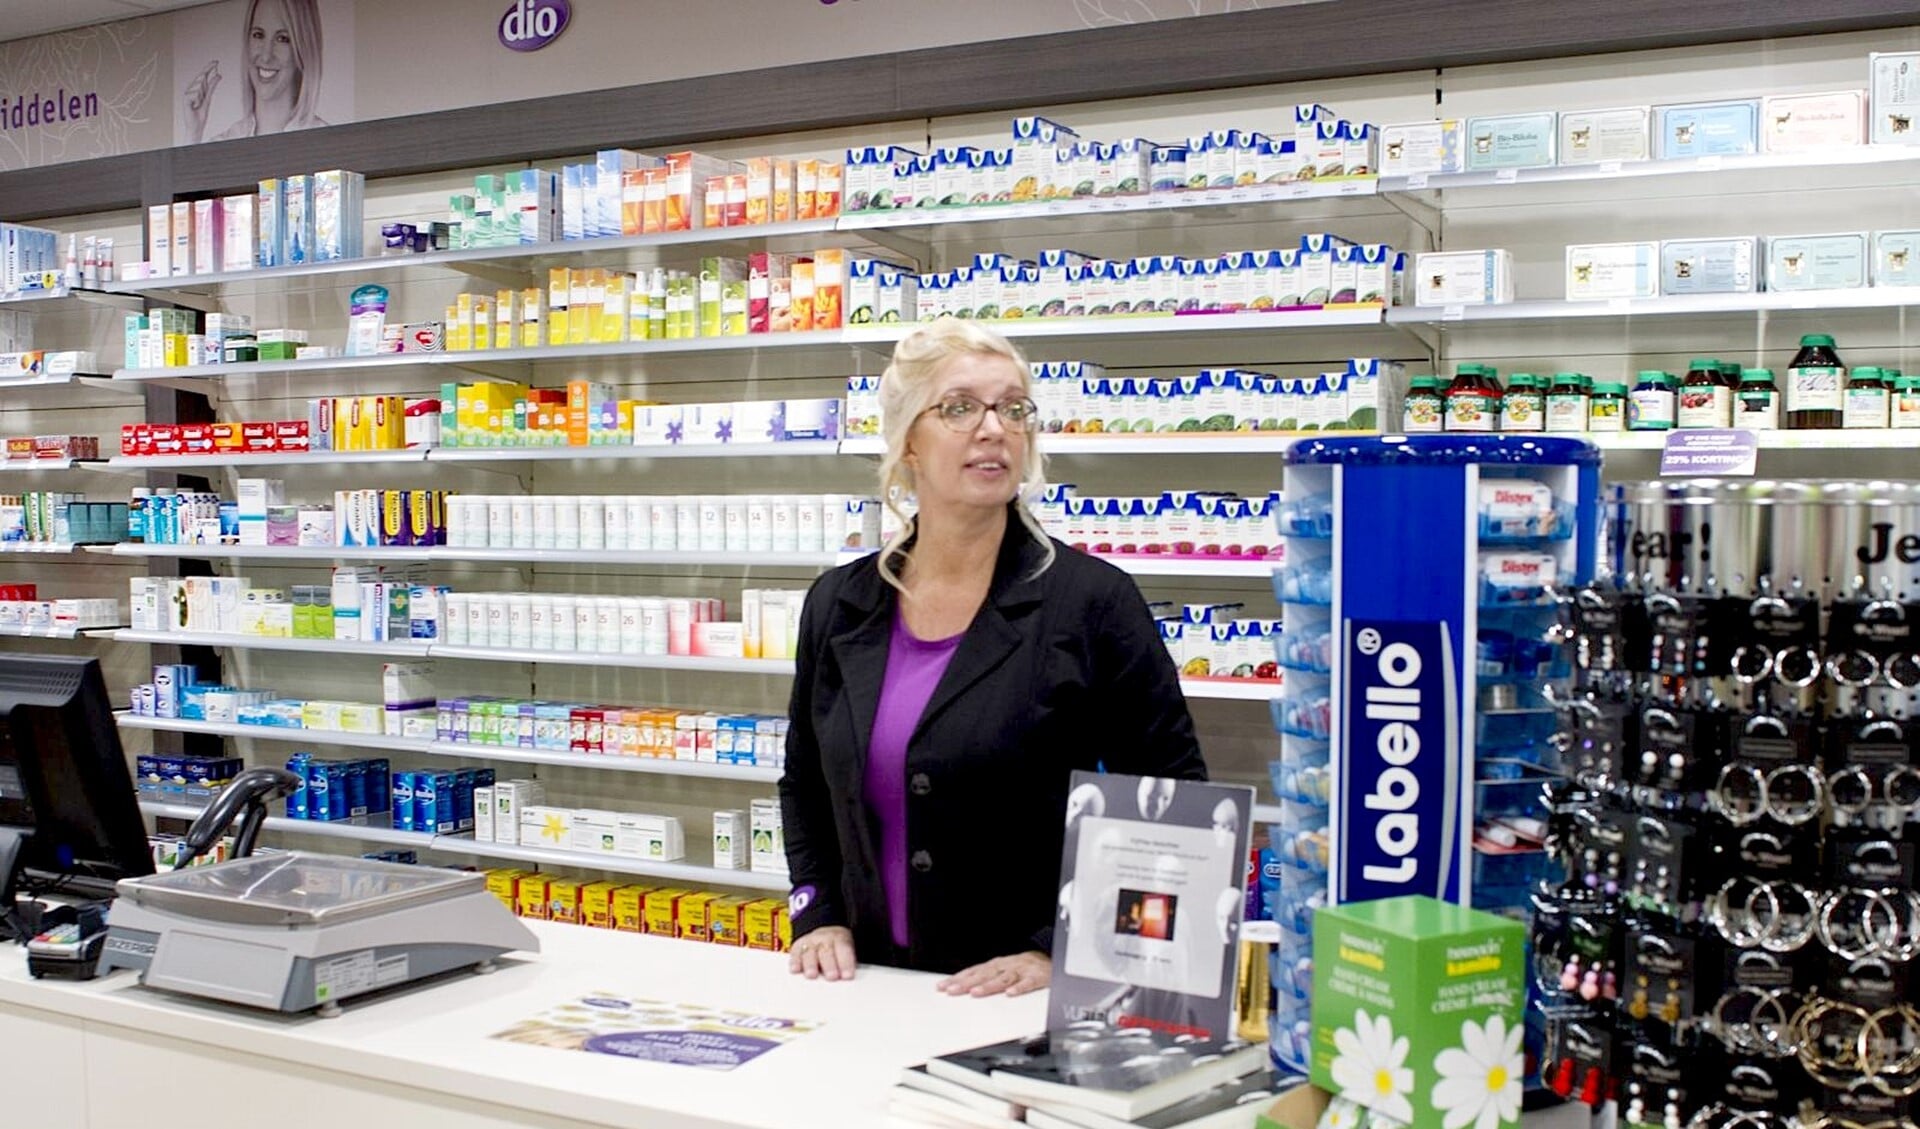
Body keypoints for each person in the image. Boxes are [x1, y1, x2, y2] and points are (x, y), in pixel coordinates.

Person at [778, 319, 1207, 998]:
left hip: (1028, 998)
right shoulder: (839, 603)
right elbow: (804, 780)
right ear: (908, 442)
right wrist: (819, 912)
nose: (993, 428)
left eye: (1013, 407)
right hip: (869, 987)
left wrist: (1060, 951)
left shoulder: (1090, 603)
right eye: (958, 407)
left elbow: (1172, 801)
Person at [182, 0, 328, 144]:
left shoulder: (325, 142)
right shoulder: (224, 143)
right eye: (258, 35)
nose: (266, 56)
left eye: (282, 38)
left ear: (304, 49)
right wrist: (193, 134)